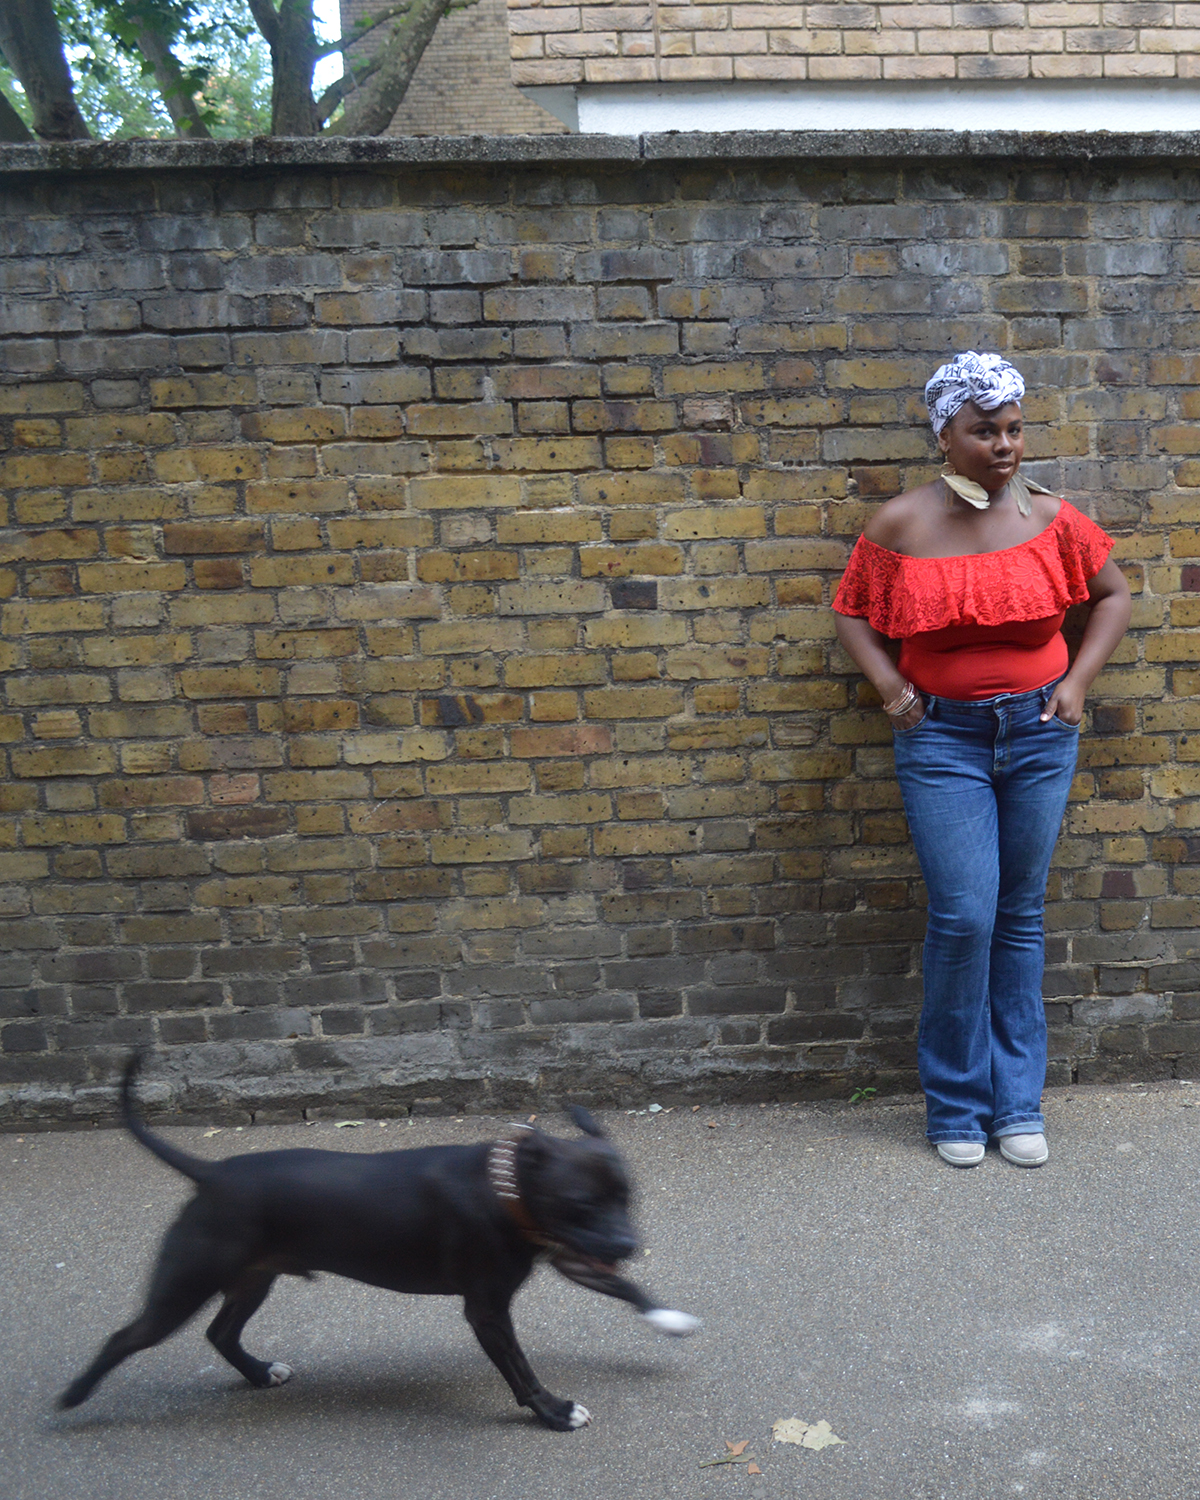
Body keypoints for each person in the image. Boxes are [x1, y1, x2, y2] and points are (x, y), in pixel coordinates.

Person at [832, 352, 1131, 1168]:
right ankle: (957, 1106)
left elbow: (1114, 595)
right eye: (984, 431)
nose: (1003, 445)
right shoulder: (901, 524)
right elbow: (852, 611)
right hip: (941, 740)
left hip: (1039, 734)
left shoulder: (1051, 518)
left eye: (1013, 429)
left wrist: (1077, 684)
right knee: (966, 915)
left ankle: (1017, 1105)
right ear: (944, 436)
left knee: (1020, 914)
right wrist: (892, 689)